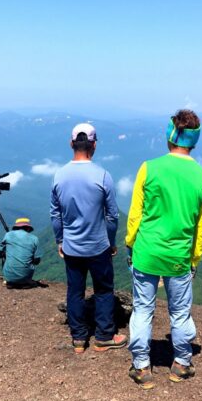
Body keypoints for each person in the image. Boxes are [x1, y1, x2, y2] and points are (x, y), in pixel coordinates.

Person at [126, 109, 202, 389]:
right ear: (194, 141)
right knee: (180, 312)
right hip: (180, 257)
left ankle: (142, 367)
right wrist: (195, 259)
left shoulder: (148, 168)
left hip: (146, 251)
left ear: (169, 135)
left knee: (142, 309)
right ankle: (181, 364)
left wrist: (130, 243)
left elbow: (135, 215)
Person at [50, 123, 127, 354]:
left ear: (71, 143)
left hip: (72, 247)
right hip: (98, 246)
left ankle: (79, 339)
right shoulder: (102, 176)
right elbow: (112, 215)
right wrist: (111, 241)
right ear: (94, 145)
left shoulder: (59, 176)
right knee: (103, 290)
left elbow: (55, 215)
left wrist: (60, 240)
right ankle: (104, 336)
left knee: (75, 291)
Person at [0, 217, 42, 288]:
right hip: (26, 278)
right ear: (28, 228)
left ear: (16, 227)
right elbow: (37, 261)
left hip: (9, 278)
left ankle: (9, 279)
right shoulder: (34, 239)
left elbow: (0, 254)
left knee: (4, 253)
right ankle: (25, 281)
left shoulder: (8, 235)